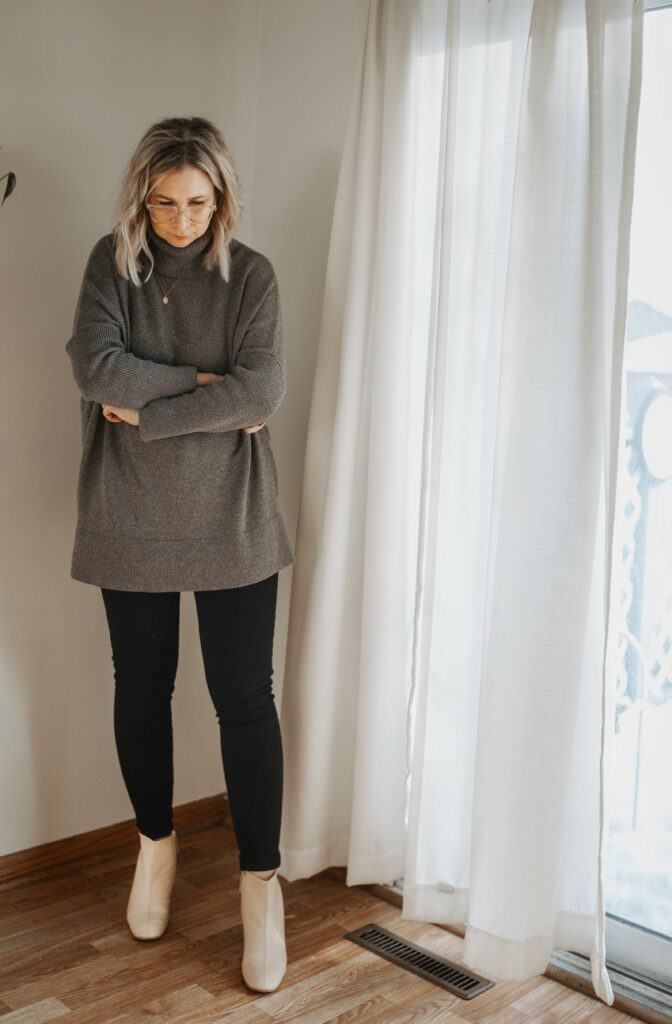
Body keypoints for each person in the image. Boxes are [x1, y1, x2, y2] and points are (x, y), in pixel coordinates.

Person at [65, 115, 294, 993]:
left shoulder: (253, 276)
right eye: (164, 202)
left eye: (198, 202)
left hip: (232, 513)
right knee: (141, 688)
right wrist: (207, 387)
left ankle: (261, 887)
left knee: (246, 701)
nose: (181, 220)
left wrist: (152, 412)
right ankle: (154, 848)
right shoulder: (112, 264)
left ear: (222, 198)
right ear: (141, 198)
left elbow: (263, 390)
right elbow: (97, 369)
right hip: (128, 511)